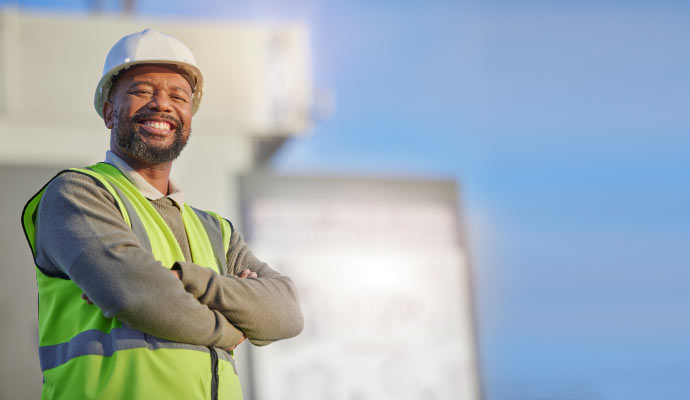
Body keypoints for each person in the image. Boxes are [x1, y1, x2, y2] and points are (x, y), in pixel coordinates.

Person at [21, 29, 303, 400]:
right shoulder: (78, 194)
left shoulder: (216, 230)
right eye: (142, 91)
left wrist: (186, 280)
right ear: (109, 112)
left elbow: (285, 313)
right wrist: (231, 328)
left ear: (188, 117)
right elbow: (133, 295)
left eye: (178, 96)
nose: (162, 105)